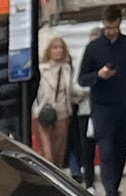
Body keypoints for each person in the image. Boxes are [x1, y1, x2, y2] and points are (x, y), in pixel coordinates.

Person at [82, 7, 126, 196]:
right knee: (106, 149)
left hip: (123, 104)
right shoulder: (93, 48)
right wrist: (98, 76)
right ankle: (111, 193)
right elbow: (82, 78)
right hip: (102, 105)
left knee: (120, 150)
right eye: (107, 28)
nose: (110, 32)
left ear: (119, 23)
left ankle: (115, 187)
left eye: (114, 27)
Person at [33, 35, 78, 166]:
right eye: (55, 47)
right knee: (47, 154)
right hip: (42, 111)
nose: (59, 50)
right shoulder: (41, 69)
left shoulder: (67, 69)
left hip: (62, 112)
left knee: (59, 152)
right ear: (49, 50)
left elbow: (72, 91)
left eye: (61, 48)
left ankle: (56, 182)